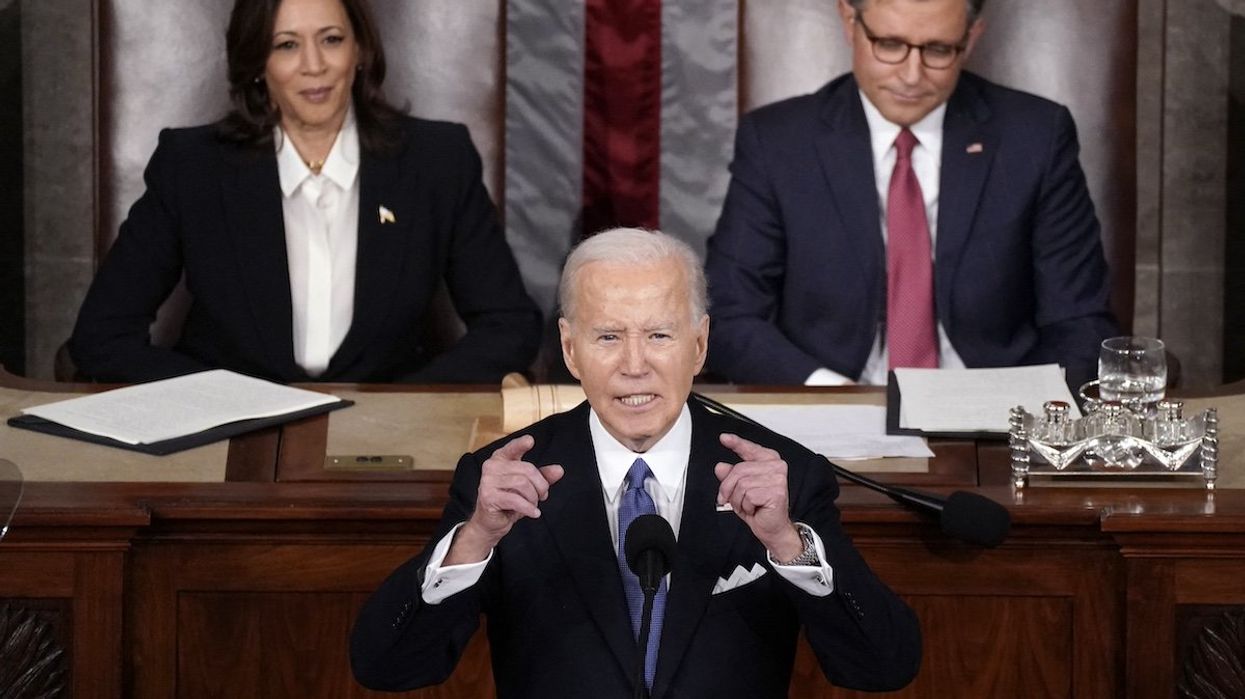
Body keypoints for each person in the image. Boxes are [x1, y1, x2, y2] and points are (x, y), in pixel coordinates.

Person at [350, 228, 921, 696]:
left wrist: (788, 545)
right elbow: (387, 668)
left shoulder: (780, 475)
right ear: (570, 350)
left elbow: (884, 667)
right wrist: (474, 539)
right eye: (607, 337)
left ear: (699, 345)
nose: (634, 365)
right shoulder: (503, 480)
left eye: (659, 334)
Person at [68, 0, 540, 384]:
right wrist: (216, 399)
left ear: (359, 51)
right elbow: (101, 336)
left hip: (385, 446)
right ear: (258, 65)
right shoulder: (192, 167)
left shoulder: (437, 160)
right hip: (230, 442)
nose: (313, 66)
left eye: (331, 40)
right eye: (286, 45)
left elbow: (509, 325)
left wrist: (404, 405)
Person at [705, 0, 1118, 391]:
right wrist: (830, 394)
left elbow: (1079, 320)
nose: (911, 75)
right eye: (890, 45)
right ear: (850, 22)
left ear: (971, 37)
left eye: (939, 50)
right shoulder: (778, 141)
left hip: (994, 418)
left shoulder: (1036, 137)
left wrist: (1026, 411)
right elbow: (729, 315)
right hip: (831, 406)